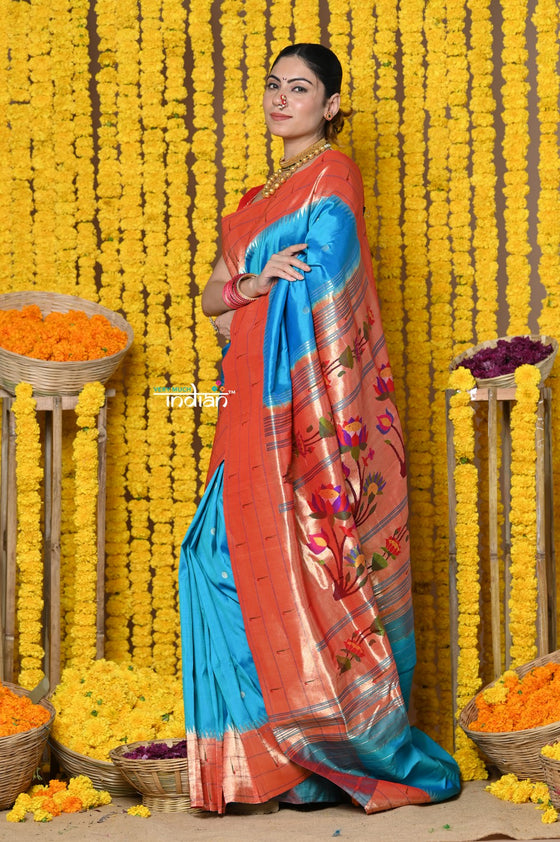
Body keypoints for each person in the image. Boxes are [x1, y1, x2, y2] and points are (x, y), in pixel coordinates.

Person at [178, 42, 461, 816]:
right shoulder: (251, 201)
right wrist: (254, 282)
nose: (281, 99)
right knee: (213, 561)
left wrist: (254, 301)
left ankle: (345, 751)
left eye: (299, 88)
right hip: (246, 400)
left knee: (309, 563)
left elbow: (329, 288)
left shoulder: (333, 177)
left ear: (330, 105)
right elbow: (212, 295)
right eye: (274, 85)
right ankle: (278, 762)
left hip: (304, 411)